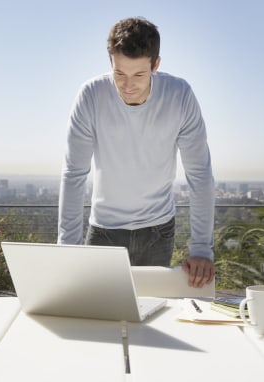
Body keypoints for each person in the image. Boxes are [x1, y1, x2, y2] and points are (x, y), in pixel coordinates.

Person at [57, 17, 215, 287]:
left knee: (152, 316)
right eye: (120, 74)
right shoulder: (91, 95)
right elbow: (74, 174)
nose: (128, 85)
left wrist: (201, 249)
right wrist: (66, 249)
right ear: (111, 63)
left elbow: (199, 175)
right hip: (103, 231)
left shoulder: (180, 96)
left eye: (139, 75)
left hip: (158, 231)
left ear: (156, 65)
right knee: (95, 316)